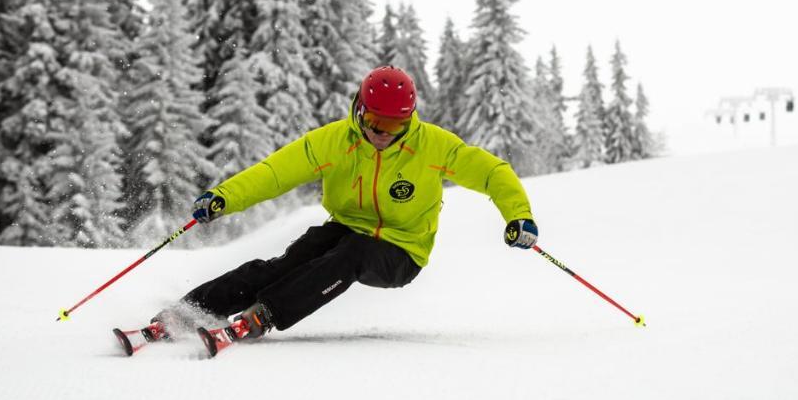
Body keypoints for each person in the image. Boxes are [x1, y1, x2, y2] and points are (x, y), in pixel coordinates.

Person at [152, 65, 539, 343]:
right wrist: (224, 198)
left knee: (352, 253)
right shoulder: (335, 141)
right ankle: (186, 313)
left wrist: (518, 217)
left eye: (394, 126)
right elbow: (274, 173)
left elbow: (492, 172)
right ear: (359, 108)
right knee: (289, 262)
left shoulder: (432, 146)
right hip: (345, 229)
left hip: (402, 250)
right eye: (374, 121)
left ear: (409, 121)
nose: (381, 134)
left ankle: (265, 314)